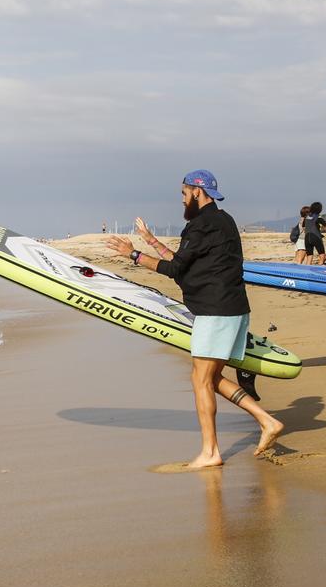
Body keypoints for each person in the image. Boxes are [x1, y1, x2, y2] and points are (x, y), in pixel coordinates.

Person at [106, 170, 284, 470]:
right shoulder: (223, 220)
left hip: (216, 312)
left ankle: (211, 452)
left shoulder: (200, 226)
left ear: (197, 192)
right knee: (211, 379)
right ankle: (267, 421)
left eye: (184, 193)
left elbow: (174, 270)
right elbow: (184, 262)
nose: (183, 199)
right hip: (233, 308)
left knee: (200, 379)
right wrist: (151, 241)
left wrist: (133, 254)